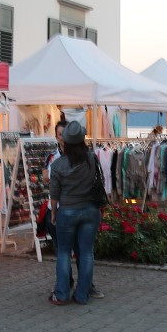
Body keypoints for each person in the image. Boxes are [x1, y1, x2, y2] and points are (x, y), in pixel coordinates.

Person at [45, 119, 102, 299]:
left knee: (64, 252)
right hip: (90, 210)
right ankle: (82, 294)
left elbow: (54, 193)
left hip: (67, 210)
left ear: (66, 141)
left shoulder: (57, 165)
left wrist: (53, 213)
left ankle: (61, 294)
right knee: (86, 253)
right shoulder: (92, 159)